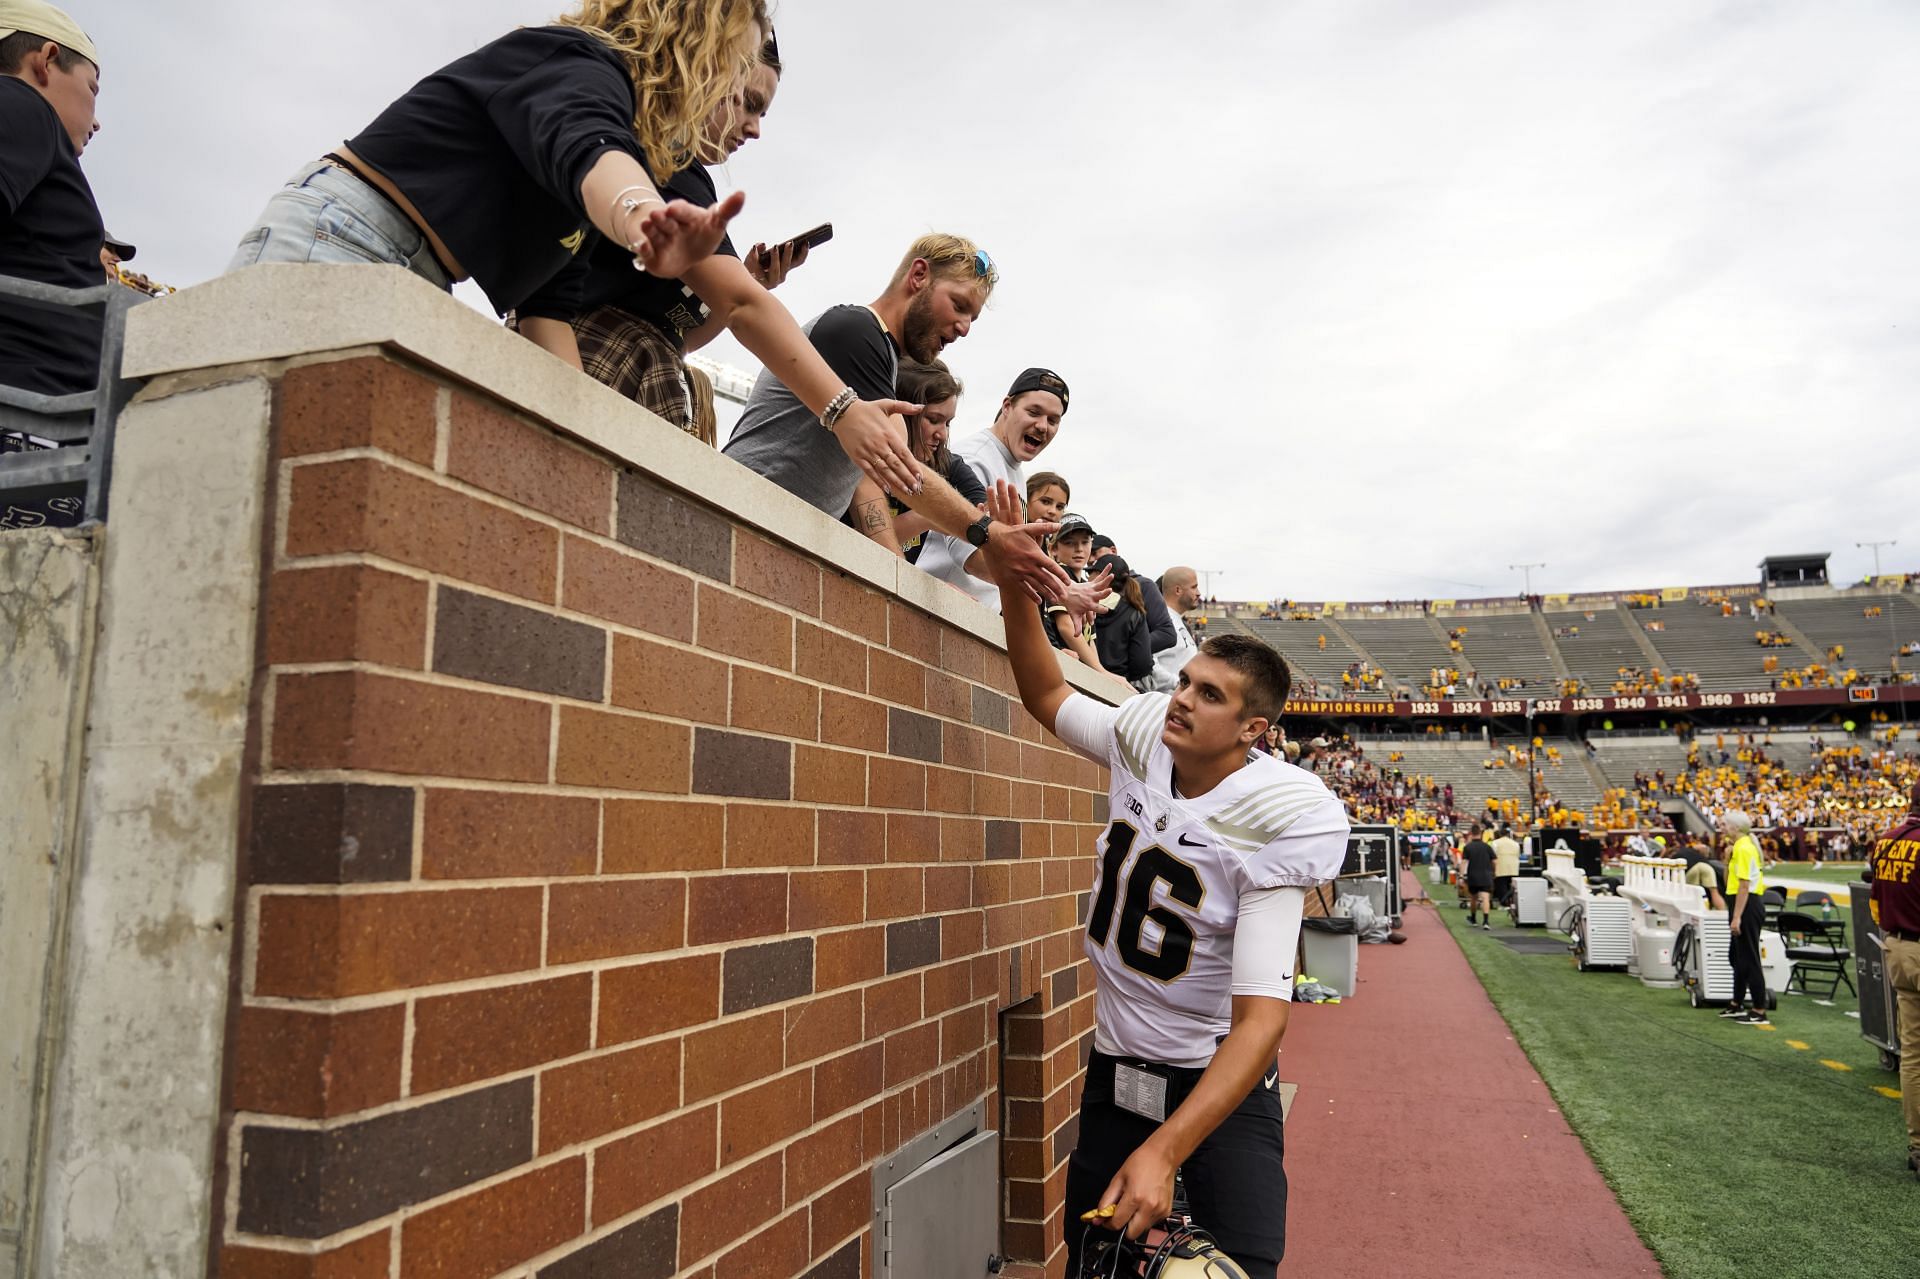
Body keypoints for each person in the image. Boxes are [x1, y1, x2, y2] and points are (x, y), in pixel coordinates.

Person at [976, 482, 1347, 1275]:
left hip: (1216, 1075)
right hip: (1119, 1067)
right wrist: (1014, 586)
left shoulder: (1279, 812)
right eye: (1186, 681)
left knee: (1241, 1262)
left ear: (1253, 729)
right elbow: (1045, 691)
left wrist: (1168, 1149)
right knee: (1094, 1259)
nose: (1181, 698)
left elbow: (1261, 1021)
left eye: (1208, 694)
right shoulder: (1144, 737)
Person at [516, 32, 827, 443]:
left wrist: (745, 282)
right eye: (749, 104)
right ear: (710, 78)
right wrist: (842, 408)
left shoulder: (679, 176)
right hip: (584, 362)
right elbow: (740, 306)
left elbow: (680, 337)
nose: (753, 129)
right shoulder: (672, 170)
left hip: (598, 370)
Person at [0, 2, 103, 530]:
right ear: (46, 60)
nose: (98, 118)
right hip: (24, 432)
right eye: (92, 88)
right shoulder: (19, 104)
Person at [913, 366, 1071, 612]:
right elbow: (969, 555)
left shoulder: (1013, 466)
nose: (1043, 426)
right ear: (1007, 406)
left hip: (971, 614)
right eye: (1034, 412)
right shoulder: (975, 457)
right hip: (937, 610)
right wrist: (1060, 591)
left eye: (1053, 420)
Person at [847, 358, 980, 561]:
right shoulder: (858, 460)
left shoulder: (948, 465)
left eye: (948, 423)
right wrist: (925, 517)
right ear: (900, 412)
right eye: (933, 420)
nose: (942, 435)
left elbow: (984, 509)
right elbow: (848, 544)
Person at [1866, 781, 1920, 1179]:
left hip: (1897, 948)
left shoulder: (1886, 841)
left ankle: (1918, 1146)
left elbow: (1874, 903)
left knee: (1914, 1056)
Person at [1719, 811, 1771, 1025]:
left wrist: (1737, 917)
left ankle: (1759, 1009)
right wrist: (1726, 860)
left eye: (1724, 824)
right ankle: (1736, 1001)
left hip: (1747, 905)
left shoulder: (1744, 848)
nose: (1721, 827)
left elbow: (1743, 885)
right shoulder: (1738, 848)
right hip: (1740, 903)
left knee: (1749, 958)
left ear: (1735, 828)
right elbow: (1729, 880)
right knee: (1736, 956)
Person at [1092, 533, 1176, 656]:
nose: (1090, 559)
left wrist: (1125, 649)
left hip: (1129, 672)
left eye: (1094, 552)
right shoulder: (1086, 588)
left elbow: (1167, 634)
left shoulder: (1144, 585)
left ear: (1113, 550)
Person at [1091, 552, 1154, 686]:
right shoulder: (1134, 613)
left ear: (1101, 576)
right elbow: (1142, 664)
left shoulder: (1083, 606)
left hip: (1084, 680)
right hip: (1119, 686)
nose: (1088, 578)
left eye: (1091, 573)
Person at [1147, 566, 1201, 694]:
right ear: (1178, 590)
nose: (1198, 593)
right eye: (1194, 587)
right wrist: (1179, 683)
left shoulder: (1177, 620)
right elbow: (1148, 662)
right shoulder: (1159, 619)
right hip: (1165, 703)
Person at [1461, 827, 1496, 930]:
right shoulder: (1487, 847)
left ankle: (1473, 918)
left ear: (1471, 834)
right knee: (1485, 898)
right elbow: (1495, 861)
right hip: (1486, 875)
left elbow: (1464, 862)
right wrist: (1494, 872)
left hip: (1473, 875)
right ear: (1481, 834)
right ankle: (1486, 921)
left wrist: (1461, 875)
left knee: (1473, 898)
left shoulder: (1468, 847)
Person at [1490, 825, 1521, 908]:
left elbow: (1493, 856)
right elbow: (1518, 855)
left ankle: (1504, 903)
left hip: (1501, 867)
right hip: (1513, 868)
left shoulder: (1495, 843)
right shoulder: (1516, 844)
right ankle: (1511, 902)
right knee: (1511, 887)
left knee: (1501, 886)